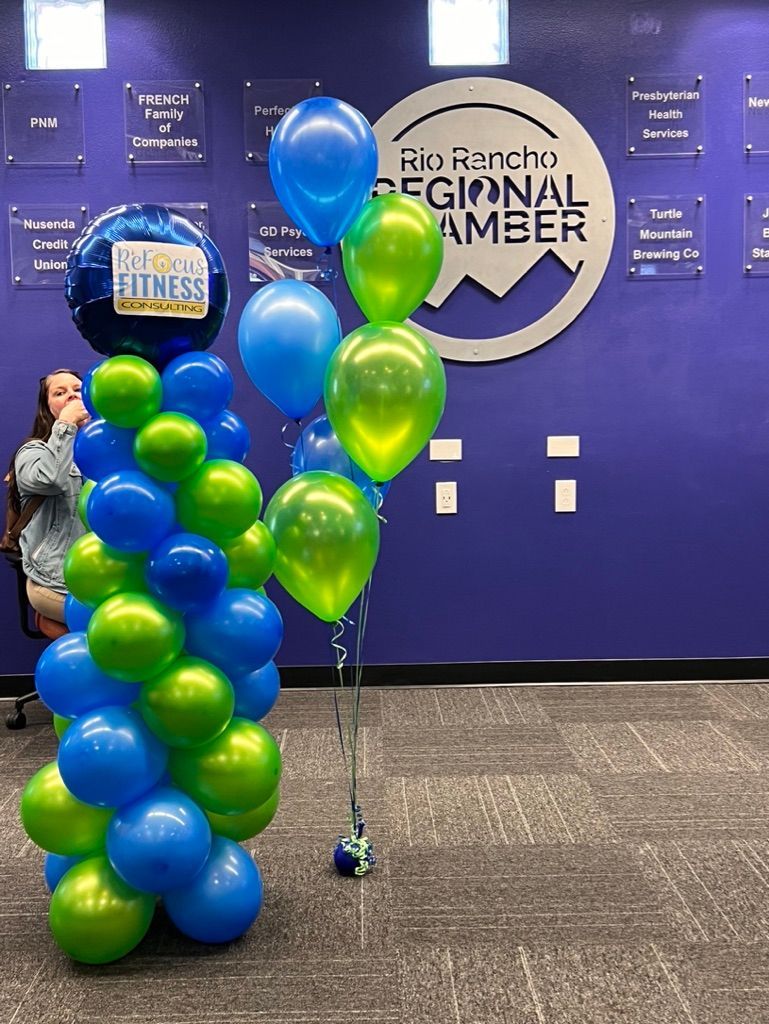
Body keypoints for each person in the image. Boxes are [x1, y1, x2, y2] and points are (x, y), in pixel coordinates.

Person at [13, 370, 89, 623]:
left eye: (77, 389)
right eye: (59, 392)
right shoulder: (32, 452)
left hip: (101, 576)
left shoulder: (113, 450)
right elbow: (51, 479)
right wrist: (66, 424)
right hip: (53, 581)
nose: (72, 396)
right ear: (48, 408)